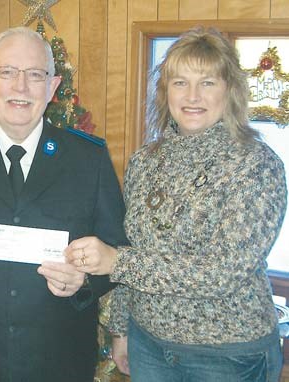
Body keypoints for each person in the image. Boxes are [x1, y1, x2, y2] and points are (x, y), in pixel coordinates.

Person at [65, 26, 287, 382]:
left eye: (207, 82)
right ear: (165, 91)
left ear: (229, 90)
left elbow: (222, 272)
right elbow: (131, 245)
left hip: (227, 356)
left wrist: (117, 262)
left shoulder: (256, 165)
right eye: (180, 82)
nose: (192, 95)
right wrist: (121, 330)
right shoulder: (145, 161)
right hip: (148, 344)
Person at [0, 26, 128, 382]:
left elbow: (118, 248)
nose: (20, 87)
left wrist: (83, 283)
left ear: (52, 87)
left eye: (35, 75)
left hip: (60, 358)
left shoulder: (87, 158)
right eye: (7, 73)